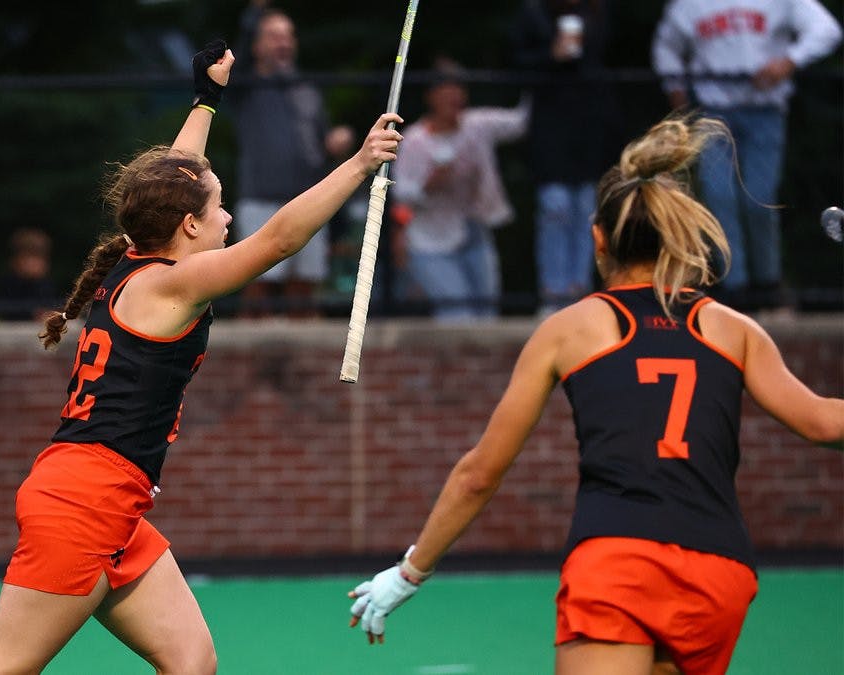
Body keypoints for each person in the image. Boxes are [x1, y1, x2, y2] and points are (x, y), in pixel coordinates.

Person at [0, 39, 402, 675]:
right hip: (84, 501)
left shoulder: (145, 257)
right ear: (189, 226)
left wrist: (207, 98)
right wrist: (360, 164)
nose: (224, 220)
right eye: (218, 209)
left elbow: (177, 169)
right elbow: (279, 240)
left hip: (110, 499)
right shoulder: (173, 284)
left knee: (190, 662)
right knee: (5, 666)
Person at [347, 116, 843, 674]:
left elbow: (480, 472)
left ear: (599, 238)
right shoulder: (732, 329)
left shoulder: (574, 328)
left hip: (618, 561)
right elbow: (826, 423)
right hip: (718, 570)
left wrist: (412, 569)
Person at [652, 0, 842, 311]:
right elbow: (666, 46)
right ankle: (732, 287)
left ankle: (766, 284)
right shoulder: (689, 5)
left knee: (760, 199)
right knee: (718, 196)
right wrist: (675, 85)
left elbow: (827, 30)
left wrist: (789, 61)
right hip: (713, 112)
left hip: (765, 111)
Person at [231, 2, 355, 317]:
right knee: (257, 286)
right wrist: (254, 14)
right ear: (258, 46)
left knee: (305, 288)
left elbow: (320, 142)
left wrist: (335, 142)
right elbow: (238, 54)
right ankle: (247, 361)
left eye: (288, 36)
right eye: (273, 36)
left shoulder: (307, 89)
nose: (283, 43)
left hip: (307, 199)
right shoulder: (246, 85)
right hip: (260, 199)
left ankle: (307, 365)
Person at [389, 59, 528, 321]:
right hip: (430, 242)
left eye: (459, 88)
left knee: (487, 315)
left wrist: (543, 67)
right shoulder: (415, 141)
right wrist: (429, 185)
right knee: (457, 316)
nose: (454, 95)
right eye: (446, 89)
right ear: (431, 96)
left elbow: (520, 122)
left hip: (474, 231)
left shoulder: (477, 125)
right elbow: (400, 193)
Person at [512, 0, 621, 314]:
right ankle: (553, 294)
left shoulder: (597, 13)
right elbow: (518, 66)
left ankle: (580, 291)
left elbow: (603, 63)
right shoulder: (533, 14)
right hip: (550, 129)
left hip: (588, 127)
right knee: (555, 206)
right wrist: (551, 56)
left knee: (586, 209)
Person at [0, 227, 58, 321]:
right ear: (15, 260)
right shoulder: (9, 285)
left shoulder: (46, 285)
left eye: (40, 259)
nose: (36, 264)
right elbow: (6, 312)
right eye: (30, 258)